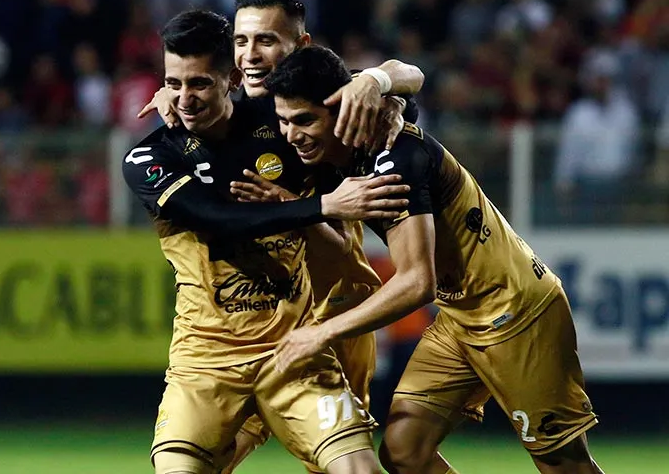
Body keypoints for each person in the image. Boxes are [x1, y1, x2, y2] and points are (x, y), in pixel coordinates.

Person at [232, 45, 604, 474]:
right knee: (405, 453)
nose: (291, 134)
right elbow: (401, 82)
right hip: (460, 317)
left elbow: (416, 283)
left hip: (516, 311)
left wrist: (320, 333)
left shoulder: (393, 160)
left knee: (564, 463)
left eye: (304, 121)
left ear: (344, 110)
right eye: (284, 121)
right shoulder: (340, 146)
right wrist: (292, 207)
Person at [136, 0, 425, 474]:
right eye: (241, 41)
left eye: (266, 41)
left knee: (347, 463)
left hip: (334, 310)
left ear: (301, 45)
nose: (251, 55)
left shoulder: (317, 103)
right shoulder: (208, 121)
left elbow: (410, 81)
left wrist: (378, 87)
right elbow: (215, 213)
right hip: (230, 341)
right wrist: (188, 90)